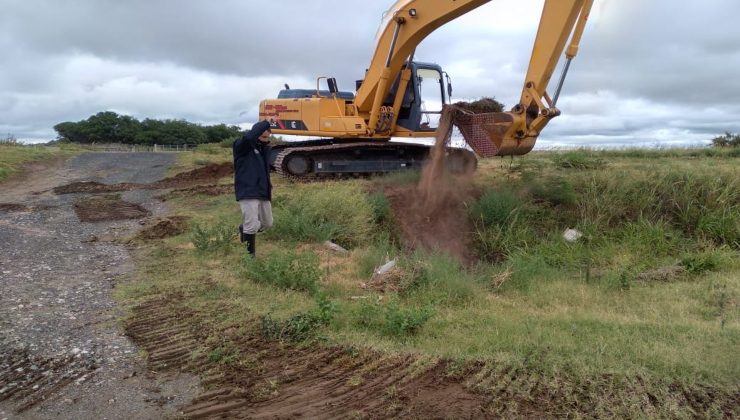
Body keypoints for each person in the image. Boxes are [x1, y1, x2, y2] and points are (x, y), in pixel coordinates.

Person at [233, 120, 273, 256]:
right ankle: (250, 258)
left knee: (268, 223)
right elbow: (250, 137)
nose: (265, 138)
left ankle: (243, 228)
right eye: (262, 135)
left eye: (267, 136)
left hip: (263, 191)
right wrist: (268, 121)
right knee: (251, 225)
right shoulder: (241, 146)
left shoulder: (264, 150)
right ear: (255, 133)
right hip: (248, 190)